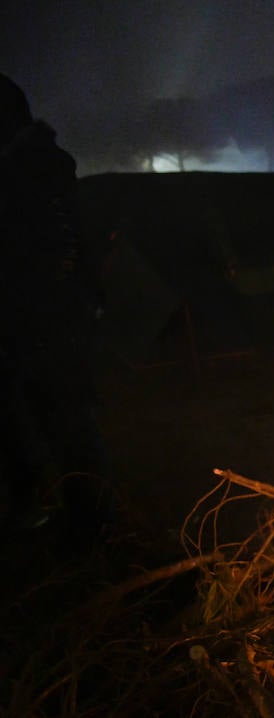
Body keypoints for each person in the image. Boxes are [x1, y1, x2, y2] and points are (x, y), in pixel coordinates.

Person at [0, 74, 109, 552]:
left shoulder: (33, 175)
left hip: (47, 322)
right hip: (36, 320)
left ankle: (89, 526)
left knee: (67, 422)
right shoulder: (38, 172)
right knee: (28, 419)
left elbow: (59, 252)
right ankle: (40, 509)